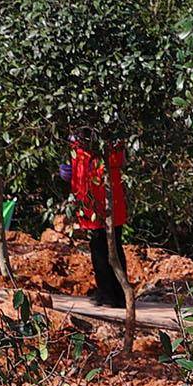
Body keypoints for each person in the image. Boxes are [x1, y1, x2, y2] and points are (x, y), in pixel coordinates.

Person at [64, 132, 131, 310]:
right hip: (97, 198)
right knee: (108, 244)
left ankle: (111, 294)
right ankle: (113, 292)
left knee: (101, 245)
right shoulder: (84, 143)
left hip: (99, 197)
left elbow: (118, 162)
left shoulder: (91, 143)